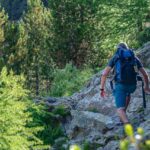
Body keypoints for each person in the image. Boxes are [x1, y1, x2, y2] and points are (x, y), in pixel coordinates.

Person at [100, 42, 150, 124]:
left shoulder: (116, 57)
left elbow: (104, 74)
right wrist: (146, 87)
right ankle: (123, 116)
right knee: (127, 94)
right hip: (132, 85)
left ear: (118, 49)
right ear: (127, 48)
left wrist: (102, 89)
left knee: (119, 109)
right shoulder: (134, 58)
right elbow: (145, 74)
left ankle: (127, 126)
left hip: (121, 85)